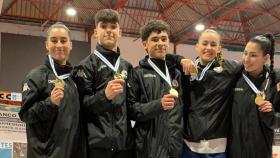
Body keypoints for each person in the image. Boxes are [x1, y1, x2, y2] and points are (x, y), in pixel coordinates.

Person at [19, 22, 87, 158]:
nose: (59, 45)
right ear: (47, 45)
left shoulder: (74, 79)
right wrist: (50, 103)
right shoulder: (36, 76)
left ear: (71, 45)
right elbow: (26, 114)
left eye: (63, 40)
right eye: (54, 40)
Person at [178, 28, 242, 158]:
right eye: (205, 43)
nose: (208, 47)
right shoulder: (188, 69)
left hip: (216, 146)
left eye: (213, 45)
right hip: (189, 142)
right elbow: (167, 59)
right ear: (197, 46)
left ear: (219, 48)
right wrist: (180, 59)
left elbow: (253, 67)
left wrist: (277, 76)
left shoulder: (228, 68)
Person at [79, 9, 135, 158]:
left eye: (113, 27)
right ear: (96, 32)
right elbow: (81, 107)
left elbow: (131, 107)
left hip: (124, 147)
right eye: (103, 26)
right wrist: (104, 96)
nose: (109, 31)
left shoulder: (127, 67)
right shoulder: (85, 66)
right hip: (97, 148)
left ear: (120, 32)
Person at [127, 20, 183, 158]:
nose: (160, 43)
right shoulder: (137, 73)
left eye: (164, 39)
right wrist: (158, 105)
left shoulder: (176, 73)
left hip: (174, 148)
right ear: (145, 44)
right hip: (148, 149)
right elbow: (131, 109)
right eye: (155, 39)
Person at [227, 33, 280, 158]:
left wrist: (271, 114)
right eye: (245, 53)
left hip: (261, 151)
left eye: (253, 55)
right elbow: (219, 65)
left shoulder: (274, 83)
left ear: (265, 58)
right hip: (234, 151)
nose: (246, 59)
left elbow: (277, 120)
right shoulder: (235, 77)